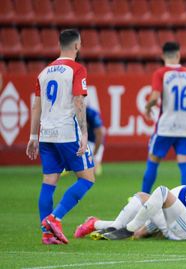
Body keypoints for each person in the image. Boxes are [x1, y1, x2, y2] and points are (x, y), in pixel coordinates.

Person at [26, 29, 95, 245]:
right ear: (77, 46)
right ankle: (54, 219)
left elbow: (36, 106)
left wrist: (33, 136)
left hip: (46, 134)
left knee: (49, 181)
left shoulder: (44, 72)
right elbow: (78, 101)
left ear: (60, 45)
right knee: (87, 178)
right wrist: (84, 133)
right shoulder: (77, 69)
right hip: (67, 132)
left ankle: (47, 235)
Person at [141, 42, 186, 193]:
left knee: (153, 161)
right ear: (178, 55)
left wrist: (147, 108)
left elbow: (155, 97)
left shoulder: (161, 73)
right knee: (184, 163)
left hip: (166, 127)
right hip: (185, 128)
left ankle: (143, 198)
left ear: (163, 56)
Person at [86, 106, 105, 176]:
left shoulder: (91, 114)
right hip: (81, 141)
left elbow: (99, 135)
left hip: (93, 141)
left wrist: (94, 154)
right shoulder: (72, 112)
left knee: (92, 169)